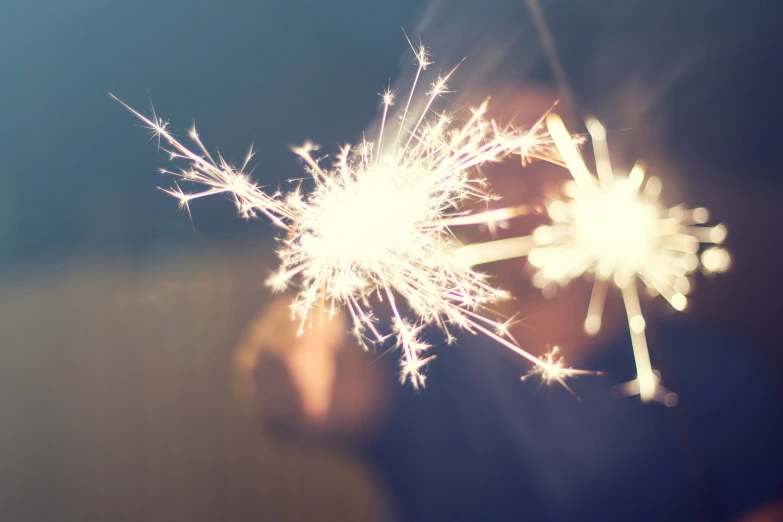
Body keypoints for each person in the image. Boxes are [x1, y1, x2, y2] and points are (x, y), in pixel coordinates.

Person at [234, 91, 783, 522]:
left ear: (605, 171)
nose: (522, 186)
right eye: (492, 158)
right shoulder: (417, 371)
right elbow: (302, 397)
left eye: (550, 152)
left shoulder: (716, 376)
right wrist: (324, 280)